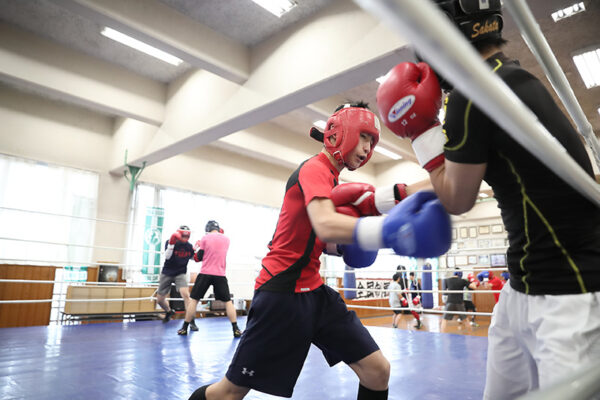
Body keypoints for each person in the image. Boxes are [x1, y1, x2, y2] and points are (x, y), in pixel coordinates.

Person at [376, 1, 600, 397]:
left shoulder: (472, 92)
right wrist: (391, 197)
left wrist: (420, 131)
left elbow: (457, 198)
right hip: (523, 286)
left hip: (569, 290)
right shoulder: (514, 81)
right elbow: (480, 178)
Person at [187, 102, 452, 400]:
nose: (367, 148)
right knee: (229, 393)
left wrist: (449, 180)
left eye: (372, 141)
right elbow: (325, 225)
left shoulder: (334, 181)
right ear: (342, 131)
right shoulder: (314, 169)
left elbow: (327, 236)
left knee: (377, 371)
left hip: (315, 293)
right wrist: (388, 233)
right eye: (363, 136)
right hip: (282, 294)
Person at [177, 220, 241, 338]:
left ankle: (185, 328)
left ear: (207, 229)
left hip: (205, 273)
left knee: (194, 300)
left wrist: (195, 249)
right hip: (220, 274)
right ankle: (236, 329)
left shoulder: (205, 238)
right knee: (228, 302)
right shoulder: (227, 240)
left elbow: (198, 257)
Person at [156, 225, 194, 326]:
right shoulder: (169, 241)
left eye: (187, 236)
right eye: (183, 236)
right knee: (159, 300)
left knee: (185, 294)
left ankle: (191, 320)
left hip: (180, 273)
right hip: (167, 272)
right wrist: (171, 245)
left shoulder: (189, 246)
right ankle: (169, 311)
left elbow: (195, 258)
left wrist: (201, 251)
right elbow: (167, 256)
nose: (185, 238)